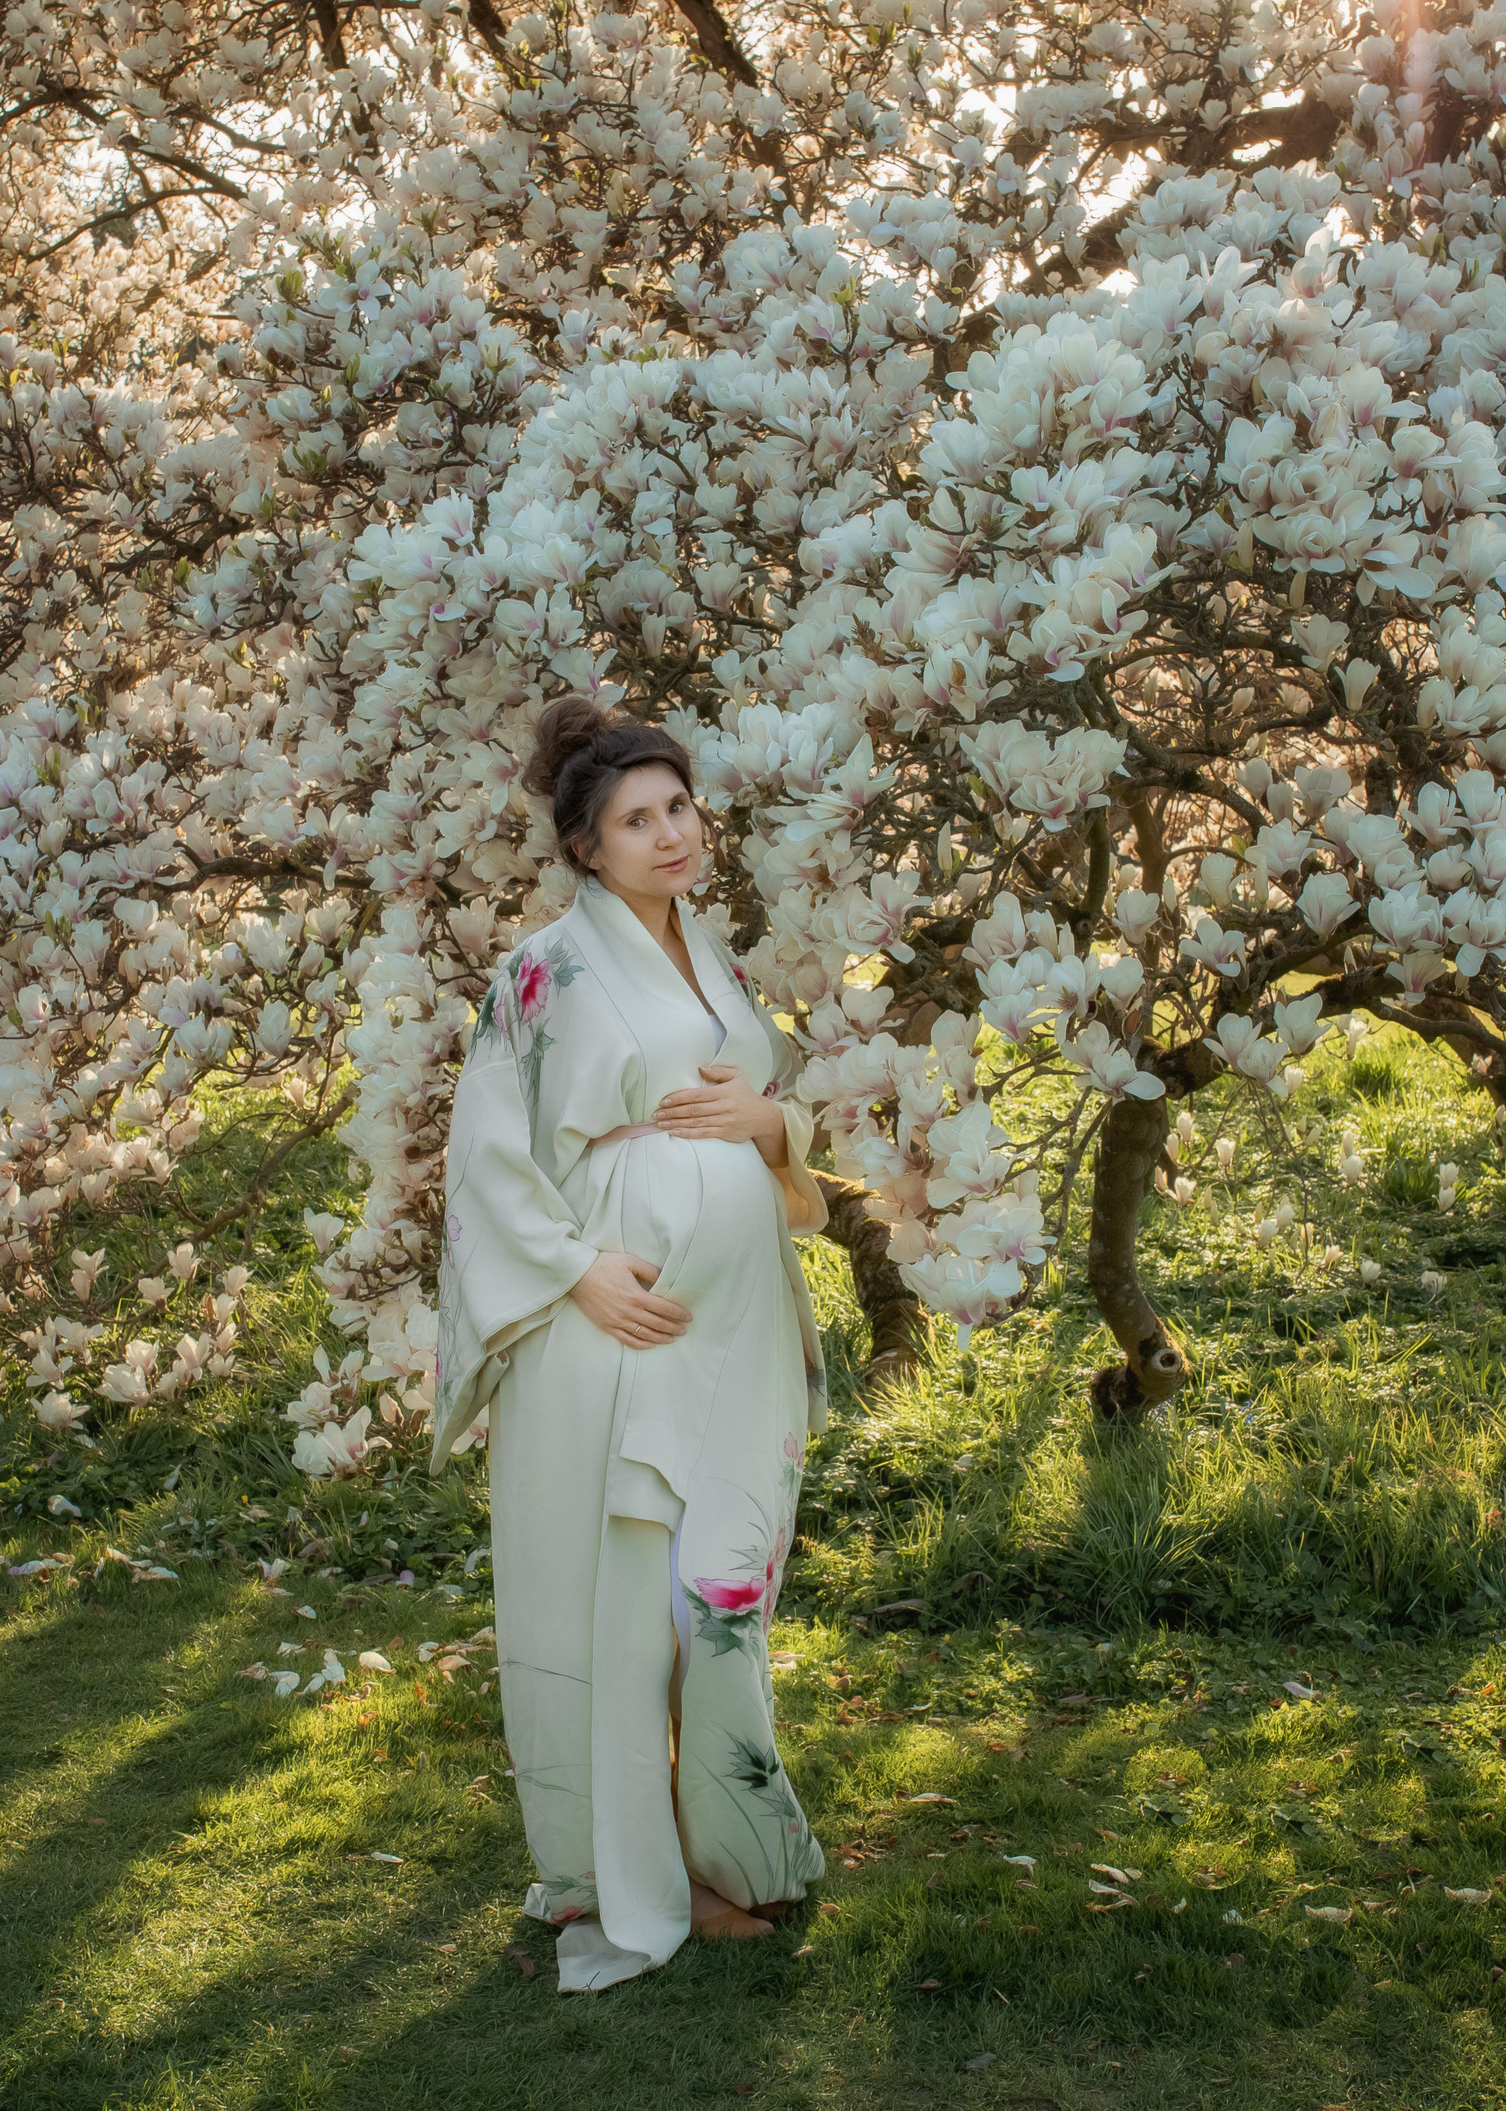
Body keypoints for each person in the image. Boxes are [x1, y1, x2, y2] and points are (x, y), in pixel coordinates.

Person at [426, 698, 832, 1992]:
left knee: (720, 1590)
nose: (670, 833)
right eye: (636, 819)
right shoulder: (544, 969)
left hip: (739, 1321)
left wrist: (775, 1129)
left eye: (678, 807)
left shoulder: (712, 958)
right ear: (586, 850)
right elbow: (485, 1147)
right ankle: (633, 1873)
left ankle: (728, 1846)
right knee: (632, 1609)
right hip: (618, 1321)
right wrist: (577, 1271)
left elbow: (764, 1121)